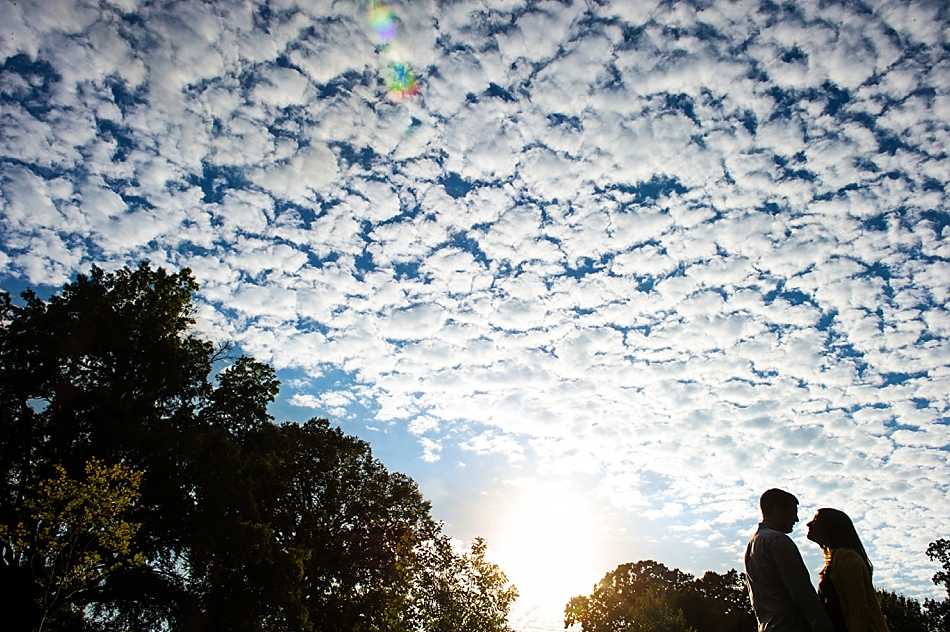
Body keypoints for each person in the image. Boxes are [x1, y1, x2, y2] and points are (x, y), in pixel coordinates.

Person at [745, 488, 835, 632]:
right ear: (777, 510)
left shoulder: (752, 545)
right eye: (792, 512)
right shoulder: (778, 540)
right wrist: (824, 626)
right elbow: (801, 590)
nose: (796, 519)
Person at [806, 508, 890, 632]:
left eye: (816, 520)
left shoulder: (846, 558)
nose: (809, 524)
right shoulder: (837, 560)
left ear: (830, 526)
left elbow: (859, 611)